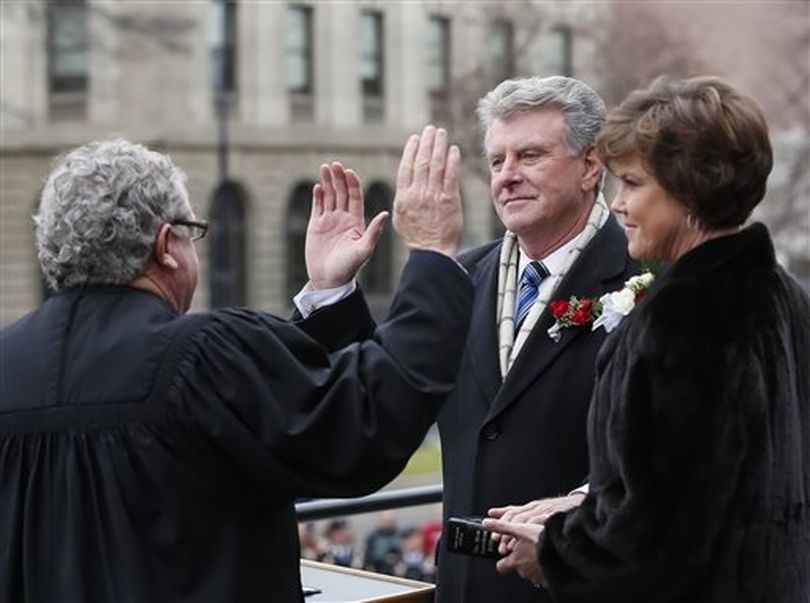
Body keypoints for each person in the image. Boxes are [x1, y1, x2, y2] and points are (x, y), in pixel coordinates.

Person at [0, 137, 472, 602]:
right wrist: (430, 256)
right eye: (193, 233)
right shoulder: (197, 354)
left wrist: (328, 292)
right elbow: (361, 424)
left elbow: (270, 414)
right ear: (167, 245)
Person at [484, 76, 810, 602]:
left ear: (690, 190)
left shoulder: (677, 323)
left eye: (633, 183)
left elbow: (651, 538)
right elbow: (715, 489)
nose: (616, 203)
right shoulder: (786, 297)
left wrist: (553, 553)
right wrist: (581, 506)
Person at [437, 76, 640, 602]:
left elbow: (680, 453)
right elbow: (381, 389)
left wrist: (580, 505)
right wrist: (331, 290)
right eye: (497, 161)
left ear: (590, 166)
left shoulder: (648, 280)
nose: (507, 176)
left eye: (529, 155)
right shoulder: (459, 280)